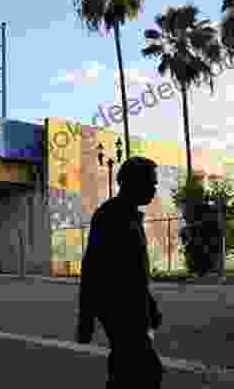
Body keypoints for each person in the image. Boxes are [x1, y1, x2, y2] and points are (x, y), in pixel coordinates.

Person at [75, 156, 164, 388]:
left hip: (133, 308)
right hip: (118, 309)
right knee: (148, 372)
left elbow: (134, 272)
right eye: (151, 183)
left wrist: (150, 305)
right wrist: (85, 321)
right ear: (133, 182)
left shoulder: (131, 216)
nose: (154, 189)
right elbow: (92, 268)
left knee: (126, 373)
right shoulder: (110, 216)